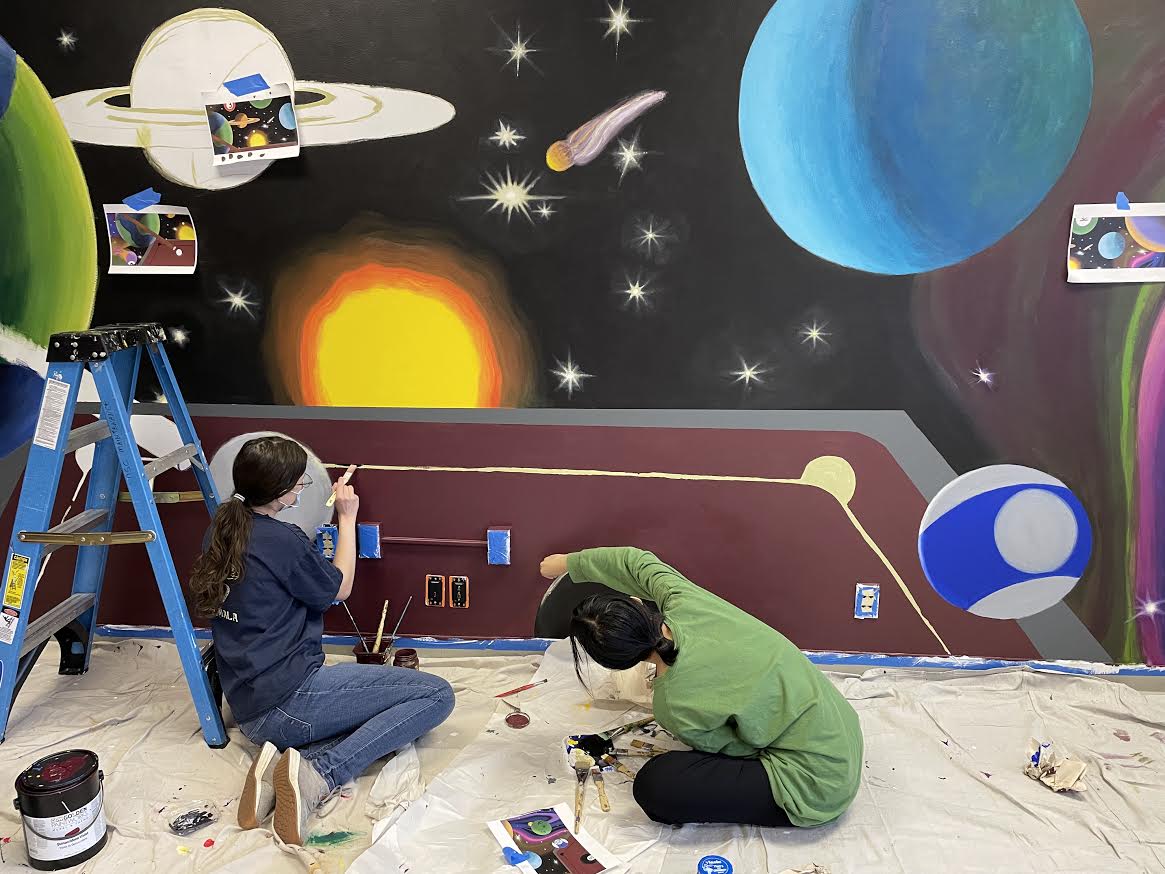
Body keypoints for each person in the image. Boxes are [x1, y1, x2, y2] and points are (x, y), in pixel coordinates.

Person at [189, 436, 454, 845]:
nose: (301, 490)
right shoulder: (283, 541)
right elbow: (341, 587)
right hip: (286, 703)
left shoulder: (222, 528)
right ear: (280, 492)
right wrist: (347, 518)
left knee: (375, 712)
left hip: (246, 703)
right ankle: (320, 773)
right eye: (298, 484)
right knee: (436, 696)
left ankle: (277, 771)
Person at [539, 547, 863, 829]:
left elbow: (736, 751)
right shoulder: (683, 599)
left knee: (656, 787)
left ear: (617, 663)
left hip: (817, 787)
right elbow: (634, 561)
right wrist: (567, 563)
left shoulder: (672, 704)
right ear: (636, 604)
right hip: (841, 731)